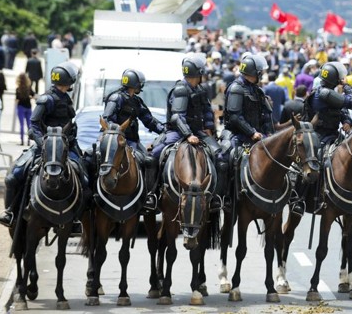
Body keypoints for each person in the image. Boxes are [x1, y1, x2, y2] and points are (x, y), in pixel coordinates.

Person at [0, 62, 86, 228]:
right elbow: (34, 125)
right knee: (13, 176)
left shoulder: (66, 99)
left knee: (85, 178)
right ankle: (10, 212)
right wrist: (43, 144)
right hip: (45, 147)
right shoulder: (47, 99)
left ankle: (76, 218)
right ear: (69, 81)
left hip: (66, 147)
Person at [151, 56, 223, 211]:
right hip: (178, 132)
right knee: (155, 156)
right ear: (199, 73)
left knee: (221, 158)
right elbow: (177, 116)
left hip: (198, 132)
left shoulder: (200, 90)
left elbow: (207, 111)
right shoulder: (181, 90)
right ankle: (152, 194)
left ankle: (216, 196)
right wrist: (188, 135)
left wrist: (209, 128)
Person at [293, 61, 352, 215]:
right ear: (335, 79)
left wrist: (347, 121)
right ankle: (299, 198)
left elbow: (340, 110)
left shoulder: (329, 93)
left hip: (334, 134)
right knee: (316, 161)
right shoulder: (325, 93)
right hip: (319, 136)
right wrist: (347, 87)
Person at [102, 69, 165, 212]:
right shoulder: (116, 98)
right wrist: (118, 134)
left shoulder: (136, 101)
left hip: (132, 142)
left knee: (150, 161)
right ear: (136, 84)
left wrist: (164, 129)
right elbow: (107, 118)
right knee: (94, 159)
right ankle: (92, 197)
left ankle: (147, 196)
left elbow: (149, 120)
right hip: (115, 141)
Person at [219, 53, 274, 209]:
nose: (262, 75)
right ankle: (224, 196)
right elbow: (235, 117)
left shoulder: (258, 91)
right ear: (255, 73)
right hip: (237, 135)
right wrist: (252, 132)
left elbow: (266, 115)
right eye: (260, 72)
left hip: (257, 135)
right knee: (226, 159)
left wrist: (269, 134)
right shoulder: (236, 88)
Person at [15, 73, 35, 146]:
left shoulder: (18, 89)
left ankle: (22, 140)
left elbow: (17, 100)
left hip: (21, 107)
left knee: (21, 124)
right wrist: (29, 97)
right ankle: (29, 140)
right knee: (29, 125)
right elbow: (33, 96)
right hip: (28, 107)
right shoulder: (29, 87)